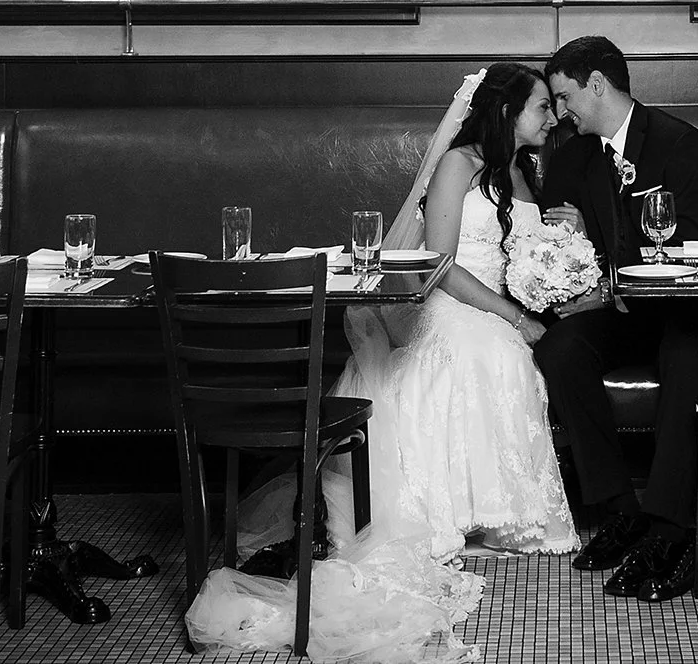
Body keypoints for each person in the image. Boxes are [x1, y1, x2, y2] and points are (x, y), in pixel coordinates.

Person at [187, 63, 577, 662]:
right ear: (506, 113)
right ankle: (457, 513)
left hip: (496, 301)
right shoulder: (458, 165)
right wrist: (513, 315)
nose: (551, 119)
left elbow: (523, 246)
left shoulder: (523, 171)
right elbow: (440, 263)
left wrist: (557, 246)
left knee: (506, 351)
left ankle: (496, 515)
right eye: (540, 107)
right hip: (450, 302)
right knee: (493, 352)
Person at [535, 36, 698, 603]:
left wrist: (610, 253)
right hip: (613, 312)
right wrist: (570, 242)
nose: (561, 111)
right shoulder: (573, 157)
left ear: (598, 84)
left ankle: (668, 529)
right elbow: (562, 248)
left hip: (680, 307)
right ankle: (620, 509)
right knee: (560, 348)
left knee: (688, 355)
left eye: (565, 96)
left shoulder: (680, 143)